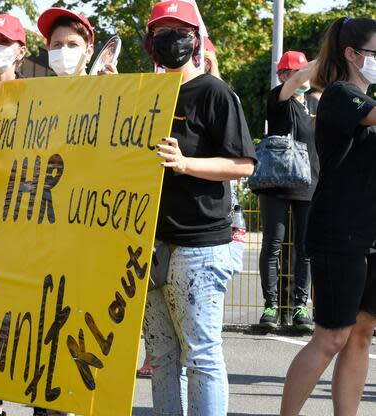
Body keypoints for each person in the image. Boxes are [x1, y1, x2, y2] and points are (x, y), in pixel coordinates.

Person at [140, 2, 256, 415]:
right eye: (161, 29)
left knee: (202, 356)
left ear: (195, 39)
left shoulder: (213, 92)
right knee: (162, 357)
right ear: (150, 41)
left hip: (199, 246)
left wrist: (186, 164)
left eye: (179, 29)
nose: (170, 37)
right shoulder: (143, 94)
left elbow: (243, 164)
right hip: (150, 245)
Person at [280, 17, 376, 416]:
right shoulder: (340, 94)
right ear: (353, 55)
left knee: (362, 333)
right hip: (339, 232)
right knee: (332, 335)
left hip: (370, 233)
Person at [257, 50, 319, 332]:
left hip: (309, 183)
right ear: (283, 76)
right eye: (293, 73)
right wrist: (324, 58)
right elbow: (293, 85)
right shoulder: (278, 98)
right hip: (277, 182)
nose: (300, 78)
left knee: (306, 248)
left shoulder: (315, 103)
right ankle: (271, 305)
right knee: (273, 243)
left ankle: (299, 307)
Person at [37, 7, 117, 77]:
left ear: (89, 52)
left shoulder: (102, 88)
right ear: (49, 49)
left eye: (73, 44)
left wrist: (115, 88)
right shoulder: (37, 91)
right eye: (57, 44)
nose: (63, 51)